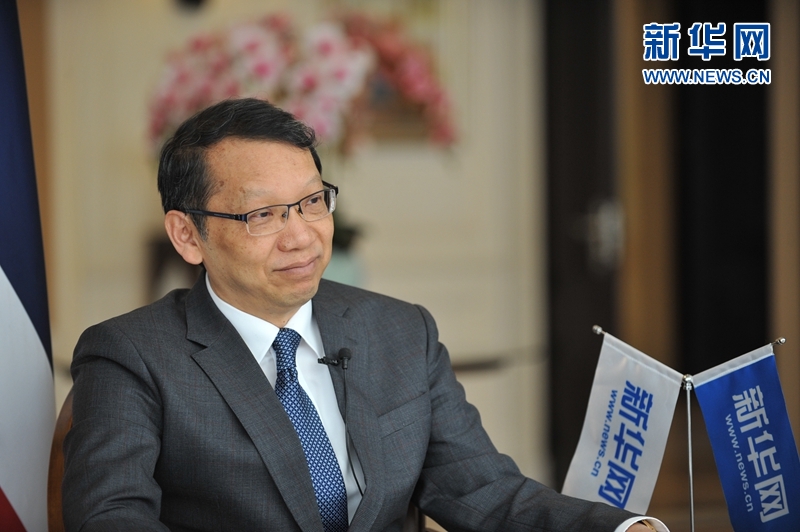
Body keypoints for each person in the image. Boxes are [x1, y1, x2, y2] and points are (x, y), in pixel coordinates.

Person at [62, 98, 667, 532]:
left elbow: (481, 489)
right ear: (187, 235)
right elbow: (111, 518)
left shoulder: (402, 331)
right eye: (263, 215)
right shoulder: (131, 355)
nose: (302, 236)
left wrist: (621, 529)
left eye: (312, 202)